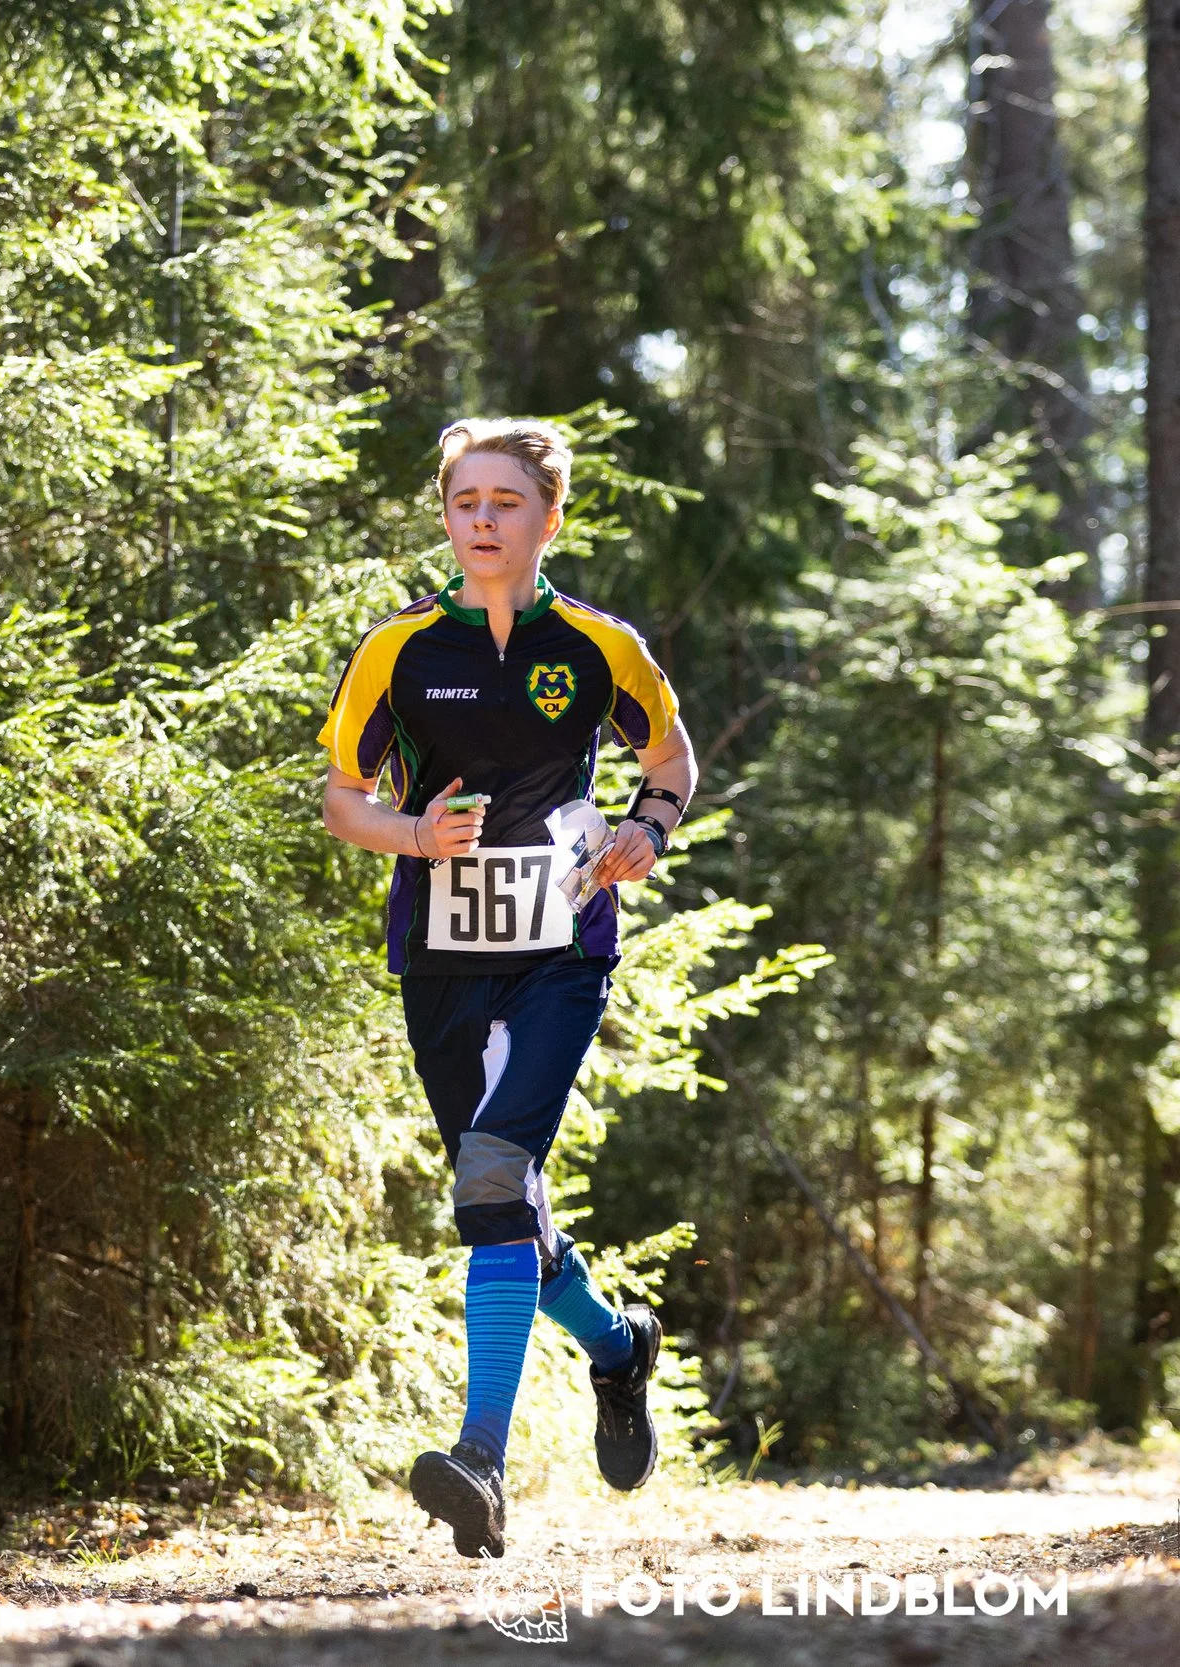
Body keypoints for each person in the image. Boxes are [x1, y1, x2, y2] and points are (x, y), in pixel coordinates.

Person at [316, 419, 698, 1558]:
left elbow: (668, 761)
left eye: (505, 502)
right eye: (464, 501)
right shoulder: (396, 650)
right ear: (447, 515)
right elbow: (343, 798)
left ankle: (479, 1457)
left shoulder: (598, 646)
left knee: (491, 1176)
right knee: (502, 1202)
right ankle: (618, 1346)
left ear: (548, 517)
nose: (481, 520)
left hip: (559, 948)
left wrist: (647, 830)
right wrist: (414, 832)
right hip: (436, 950)